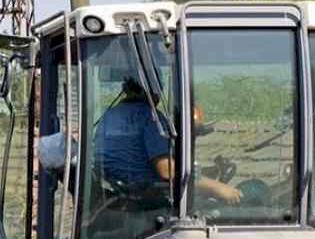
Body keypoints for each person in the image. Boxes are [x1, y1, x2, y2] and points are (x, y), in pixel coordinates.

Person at [93, 78, 240, 203]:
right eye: (159, 90)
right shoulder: (150, 117)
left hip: (119, 191)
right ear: (152, 91)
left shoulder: (108, 116)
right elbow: (166, 171)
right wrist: (216, 187)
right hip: (148, 197)